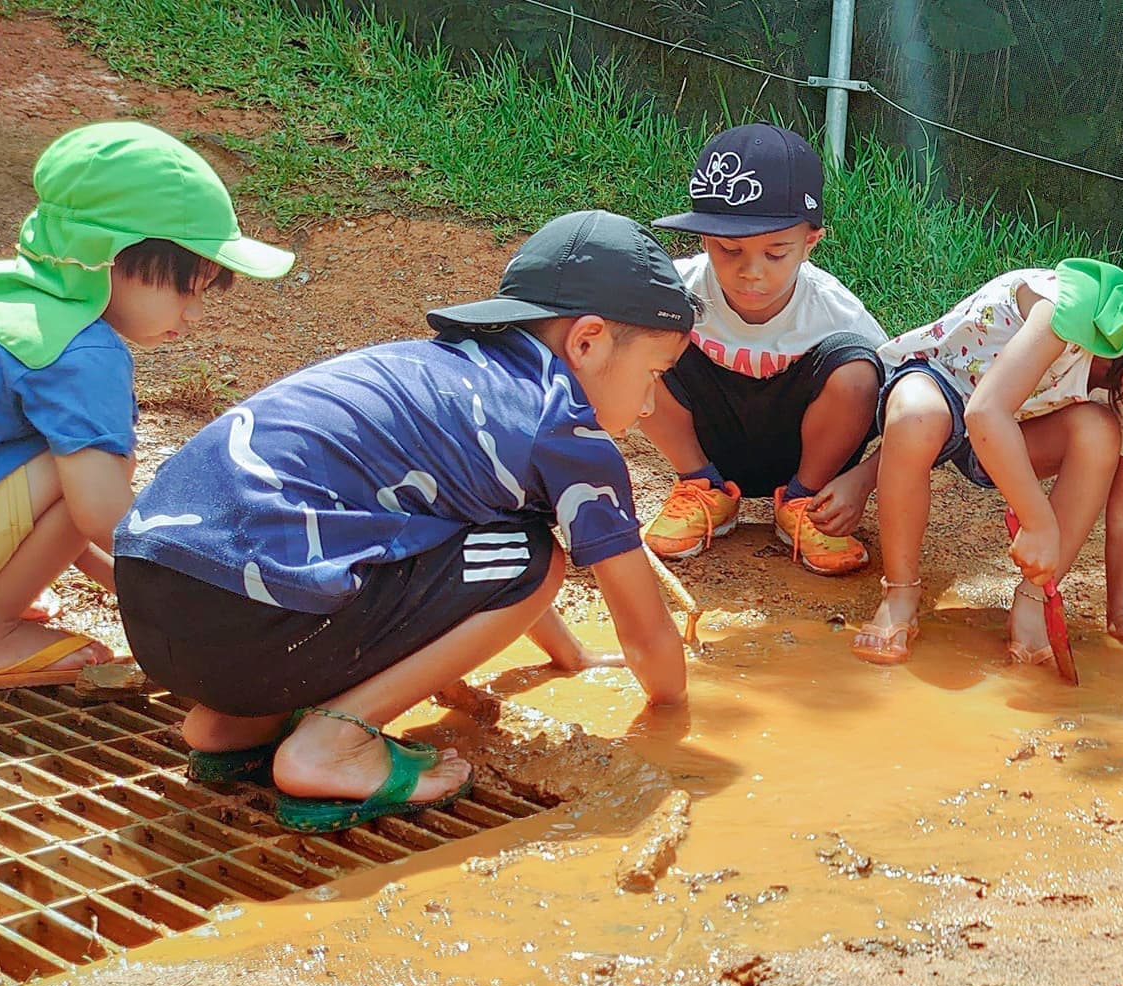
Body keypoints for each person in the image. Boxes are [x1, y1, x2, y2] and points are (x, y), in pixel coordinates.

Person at [113, 211, 693, 832]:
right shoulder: (563, 427)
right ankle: (335, 744)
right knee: (539, 558)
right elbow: (641, 630)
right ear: (588, 342)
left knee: (502, 552)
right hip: (256, 619)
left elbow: (490, 566)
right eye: (654, 375)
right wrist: (676, 710)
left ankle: (232, 726)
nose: (649, 403)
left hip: (154, 605)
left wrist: (570, 655)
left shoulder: (449, 373)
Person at [855, 238, 1123, 665]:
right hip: (947, 393)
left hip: (1012, 439)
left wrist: (1120, 615)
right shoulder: (1065, 309)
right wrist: (1038, 522)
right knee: (917, 414)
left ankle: (1032, 605)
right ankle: (900, 594)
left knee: (1099, 432)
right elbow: (985, 412)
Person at [0, 121, 293, 689]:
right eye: (187, 288)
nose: (195, 313)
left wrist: (122, 584)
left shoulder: (10, 295)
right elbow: (97, 513)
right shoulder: (84, 353)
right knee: (100, 466)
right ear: (109, 257)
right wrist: (197, 596)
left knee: (67, 457)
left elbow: (67, 521)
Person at [639, 123, 887, 576]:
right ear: (703, 240)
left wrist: (863, 480)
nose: (751, 272)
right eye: (729, 249)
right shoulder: (675, 291)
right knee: (638, 339)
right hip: (709, 443)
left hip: (805, 453)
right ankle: (702, 487)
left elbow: (907, 409)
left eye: (775, 253)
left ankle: (803, 503)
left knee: (858, 370)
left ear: (809, 243)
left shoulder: (836, 312)